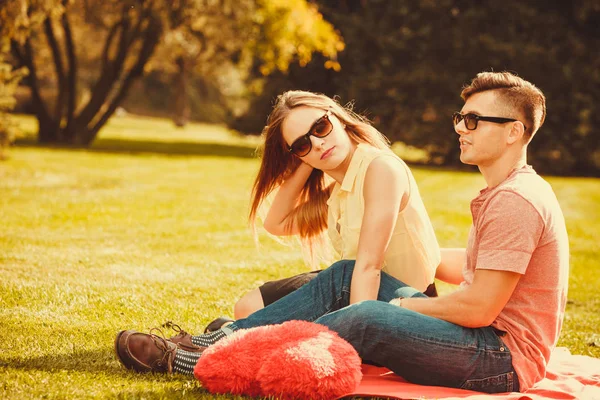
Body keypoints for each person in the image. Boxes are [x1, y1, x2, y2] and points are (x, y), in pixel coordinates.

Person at [115, 71, 569, 394]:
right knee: (345, 274)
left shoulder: (515, 201)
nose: (459, 128)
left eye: (472, 121)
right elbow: (472, 271)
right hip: (483, 342)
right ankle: (220, 341)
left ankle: (200, 360)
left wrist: (403, 304)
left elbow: (478, 308)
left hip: (499, 360)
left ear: (513, 132)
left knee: (366, 314)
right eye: (460, 116)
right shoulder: (505, 193)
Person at [207, 89, 441, 329]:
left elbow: (369, 268)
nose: (318, 143)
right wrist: (307, 160)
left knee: (273, 320)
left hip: (401, 301)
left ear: (337, 117)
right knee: (248, 306)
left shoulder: (380, 169)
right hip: (350, 286)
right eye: (301, 145)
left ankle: (236, 335)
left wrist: (356, 335)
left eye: (320, 127)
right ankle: (245, 333)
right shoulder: (338, 192)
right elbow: (276, 223)